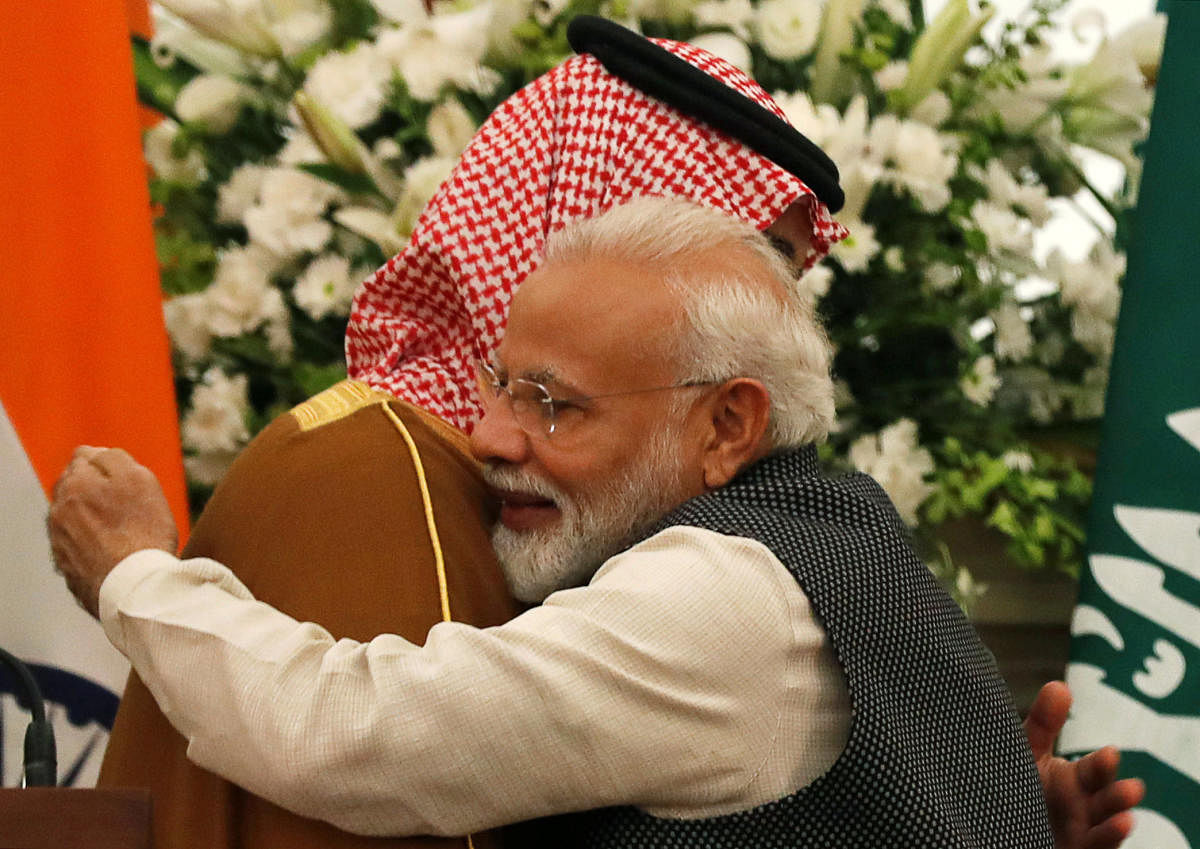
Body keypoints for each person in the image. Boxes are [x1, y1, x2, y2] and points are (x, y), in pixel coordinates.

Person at [90, 16, 1141, 849]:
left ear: (732, 417)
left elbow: (349, 735)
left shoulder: (713, 593)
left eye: (554, 399)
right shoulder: (823, 530)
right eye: (507, 386)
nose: (498, 435)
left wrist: (134, 570)